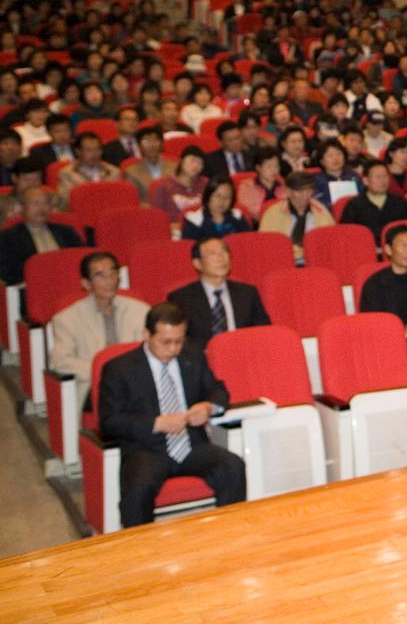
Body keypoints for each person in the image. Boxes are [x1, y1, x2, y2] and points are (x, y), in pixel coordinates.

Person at [98, 301, 246, 527]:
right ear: (146, 334)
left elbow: (219, 391)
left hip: (191, 444)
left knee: (233, 466)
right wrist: (155, 423)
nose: (173, 349)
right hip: (146, 447)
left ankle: (229, 534)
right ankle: (139, 550)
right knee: (138, 487)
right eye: (165, 342)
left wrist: (208, 407)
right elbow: (109, 422)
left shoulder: (193, 356)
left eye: (179, 341)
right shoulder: (120, 368)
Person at [50, 251, 149, 410]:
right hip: (95, 385)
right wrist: (103, 371)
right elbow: (61, 361)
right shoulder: (67, 318)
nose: (109, 280)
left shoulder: (140, 310)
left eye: (113, 273)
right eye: (100, 276)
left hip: (136, 381)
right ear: (86, 283)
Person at [166, 237, 271, 351]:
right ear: (197, 263)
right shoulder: (181, 298)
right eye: (213, 254)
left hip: (244, 354)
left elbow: (264, 330)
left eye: (224, 252)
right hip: (204, 359)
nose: (221, 258)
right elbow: (179, 337)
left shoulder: (247, 293)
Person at [0, 187, 84, 285]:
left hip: (68, 281)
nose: (42, 208)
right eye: (35, 203)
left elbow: (81, 257)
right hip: (31, 286)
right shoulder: (8, 237)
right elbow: (7, 271)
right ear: (23, 208)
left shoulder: (66, 231)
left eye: (46, 203)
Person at [260, 171, 336, 265]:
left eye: (309, 190)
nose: (306, 195)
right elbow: (266, 245)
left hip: (316, 262)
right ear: (288, 191)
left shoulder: (321, 211)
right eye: (300, 191)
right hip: (282, 263)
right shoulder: (272, 213)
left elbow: (332, 241)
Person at [341, 160, 407, 244]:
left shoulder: (400, 202)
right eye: (377, 177)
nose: (382, 180)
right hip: (365, 251)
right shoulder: (353, 206)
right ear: (365, 181)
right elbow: (346, 234)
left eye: (385, 176)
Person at [56, 132, 123, 207]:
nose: (94, 154)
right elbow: (65, 202)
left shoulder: (113, 171)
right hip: (81, 213)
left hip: (108, 212)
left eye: (97, 149)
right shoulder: (67, 173)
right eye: (88, 150)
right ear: (78, 152)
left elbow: (118, 199)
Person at [150, 146, 208, 226]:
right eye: (192, 160)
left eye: (200, 162)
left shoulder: (206, 184)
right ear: (181, 161)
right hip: (174, 230)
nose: (196, 165)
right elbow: (157, 217)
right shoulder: (163, 186)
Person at [181, 176, 250, 240]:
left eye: (227, 197)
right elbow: (188, 249)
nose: (222, 201)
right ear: (208, 196)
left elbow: (248, 241)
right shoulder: (194, 220)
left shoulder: (237, 216)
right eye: (218, 196)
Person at [123, 126, 175, 200]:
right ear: (139, 146)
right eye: (146, 142)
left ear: (161, 144)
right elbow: (133, 199)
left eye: (155, 141)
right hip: (147, 210)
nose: (151, 145)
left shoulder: (175, 167)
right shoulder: (131, 172)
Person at [235, 146, 285, 223]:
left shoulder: (282, 183)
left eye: (276, 166)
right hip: (258, 225)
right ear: (258, 168)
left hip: (282, 221)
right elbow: (249, 211)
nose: (274, 170)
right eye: (269, 166)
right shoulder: (246, 185)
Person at [313, 138, 363, 207]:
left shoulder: (354, 176)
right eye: (330, 155)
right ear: (322, 161)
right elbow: (317, 204)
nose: (335, 158)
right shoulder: (316, 180)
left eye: (339, 154)